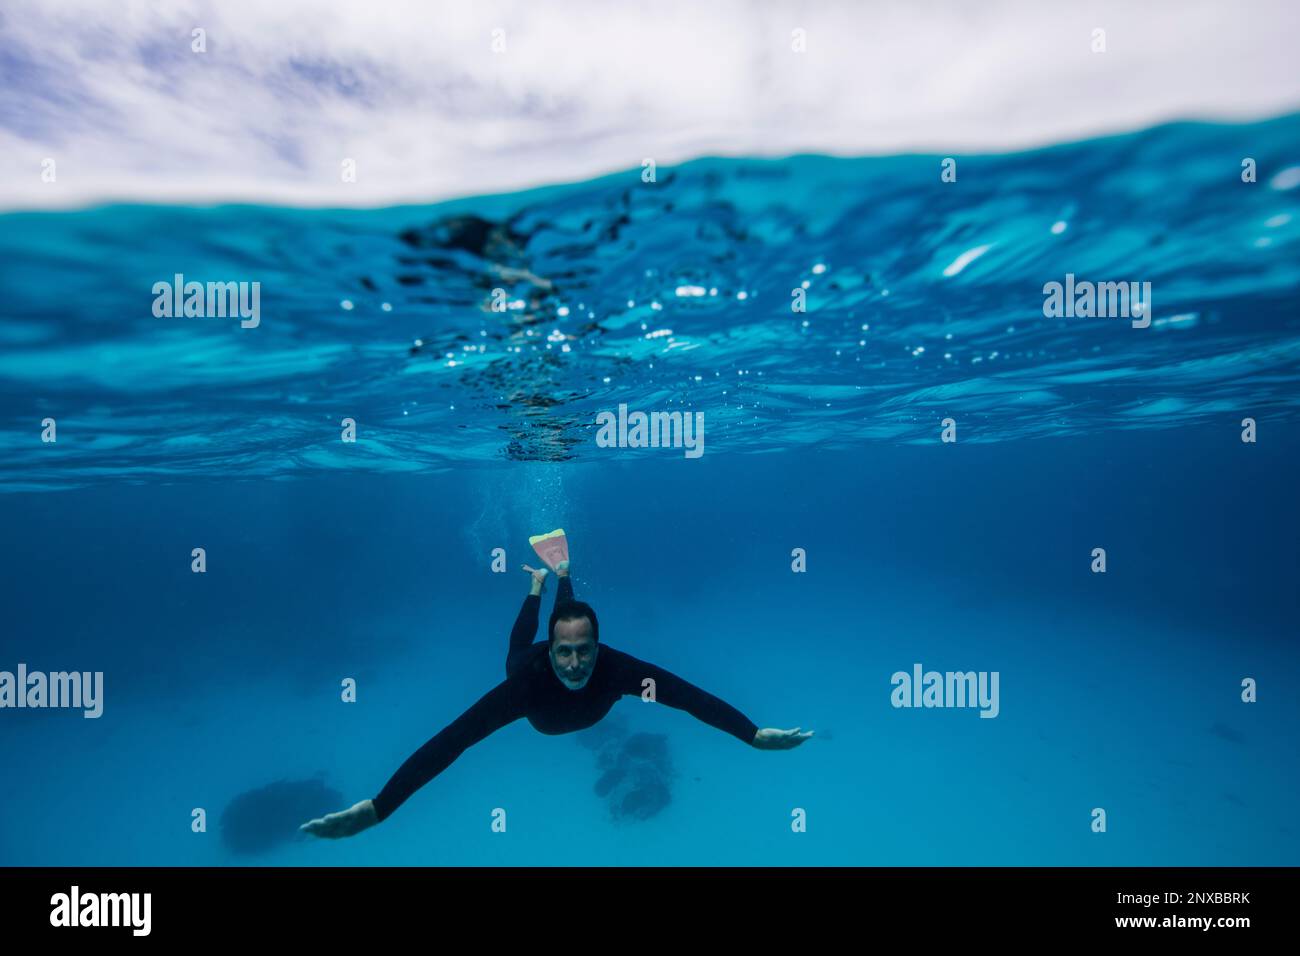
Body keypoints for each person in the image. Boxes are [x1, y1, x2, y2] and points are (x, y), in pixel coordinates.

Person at [301, 553, 812, 838]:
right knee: (515, 643)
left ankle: (562, 574)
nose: (574, 664)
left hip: (567, 667)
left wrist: (752, 735)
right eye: (564, 652)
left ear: (598, 646)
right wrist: (380, 807)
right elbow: (451, 742)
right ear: (554, 652)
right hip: (525, 668)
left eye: (583, 651)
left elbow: (687, 697)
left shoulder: (618, 669)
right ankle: (537, 584)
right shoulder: (525, 683)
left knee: (568, 616)